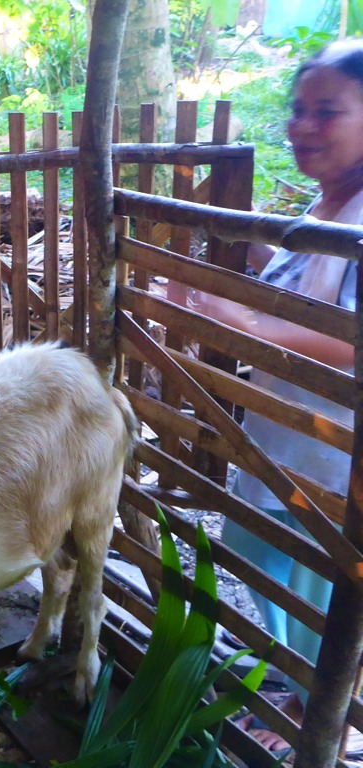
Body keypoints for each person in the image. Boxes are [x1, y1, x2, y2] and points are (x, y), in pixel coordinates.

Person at [170, 38, 363, 756]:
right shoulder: (329, 205)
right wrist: (240, 268)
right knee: (258, 543)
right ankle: (295, 684)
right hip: (287, 435)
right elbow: (303, 293)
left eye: (329, 112)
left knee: (318, 582)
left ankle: (329, 720)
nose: (304, 125)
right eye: (298, 109)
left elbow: (352, 336)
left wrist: (245, 321)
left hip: (334, 448)